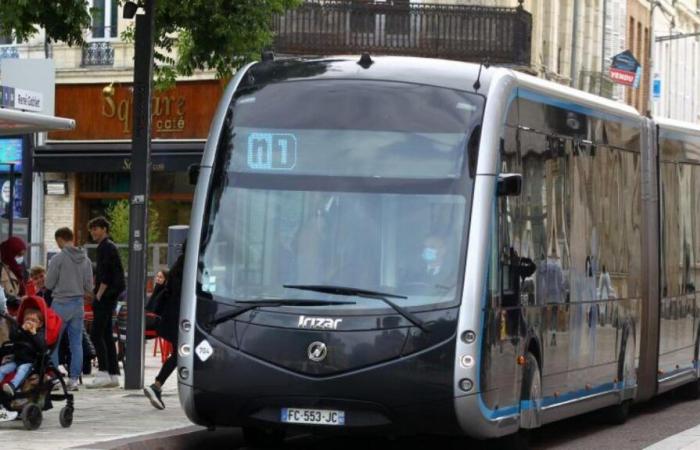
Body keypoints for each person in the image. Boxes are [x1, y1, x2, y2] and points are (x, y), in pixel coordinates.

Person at [46, 227, 94, 391]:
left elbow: (48, 284)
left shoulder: (57, 259)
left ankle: (54, 378)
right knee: (76, 344)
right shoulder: (85, 259)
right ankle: (73, 380)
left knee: (53, 342)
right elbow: (89, 286)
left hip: (60, 304)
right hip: (78, 305)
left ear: (60, 239)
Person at [144, 243, 185, 409]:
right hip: (179, 321)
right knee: (181, 355)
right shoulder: (190, 267)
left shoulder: (178, 266)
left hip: (170, 321)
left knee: (179, 355)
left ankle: (157, 386)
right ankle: (157, 386)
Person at [87, 216, 125, 389]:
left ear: (104, 229)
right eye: (92, 229)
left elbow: (105, 275)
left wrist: (99, 295)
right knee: (107, 335)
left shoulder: (105, 247)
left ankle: (103, 372)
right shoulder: (109, 246)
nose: (93, 232)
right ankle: (112, 374)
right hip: (111, 295)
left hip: (106, 296)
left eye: (96, 228)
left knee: (96, 333)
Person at [0, 305, 46, 398]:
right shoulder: (21, 331)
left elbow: (42, 347)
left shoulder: (40, 334)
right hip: (17, 360)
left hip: (31, 362)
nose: (29, 322)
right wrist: (20, 331)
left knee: (22, 370)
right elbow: (13, 337)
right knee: (2, 369)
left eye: (33, 320)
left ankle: (12, 386)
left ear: (40, 324)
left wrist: (34, 334)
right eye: (27, 319)